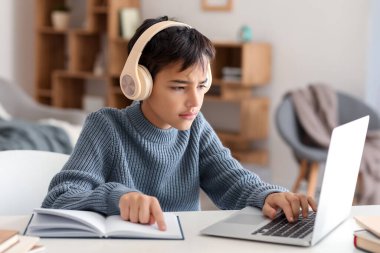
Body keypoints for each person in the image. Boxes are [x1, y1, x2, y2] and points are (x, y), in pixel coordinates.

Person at [42, 16, 317, 231]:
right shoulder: (106, 128)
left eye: (201, 86)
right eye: (178, 87)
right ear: (141, 84)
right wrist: (118, 197)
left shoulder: (195, 127)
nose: (194, 101)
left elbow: (233, 181)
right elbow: (59, 199)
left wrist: (269, 195)